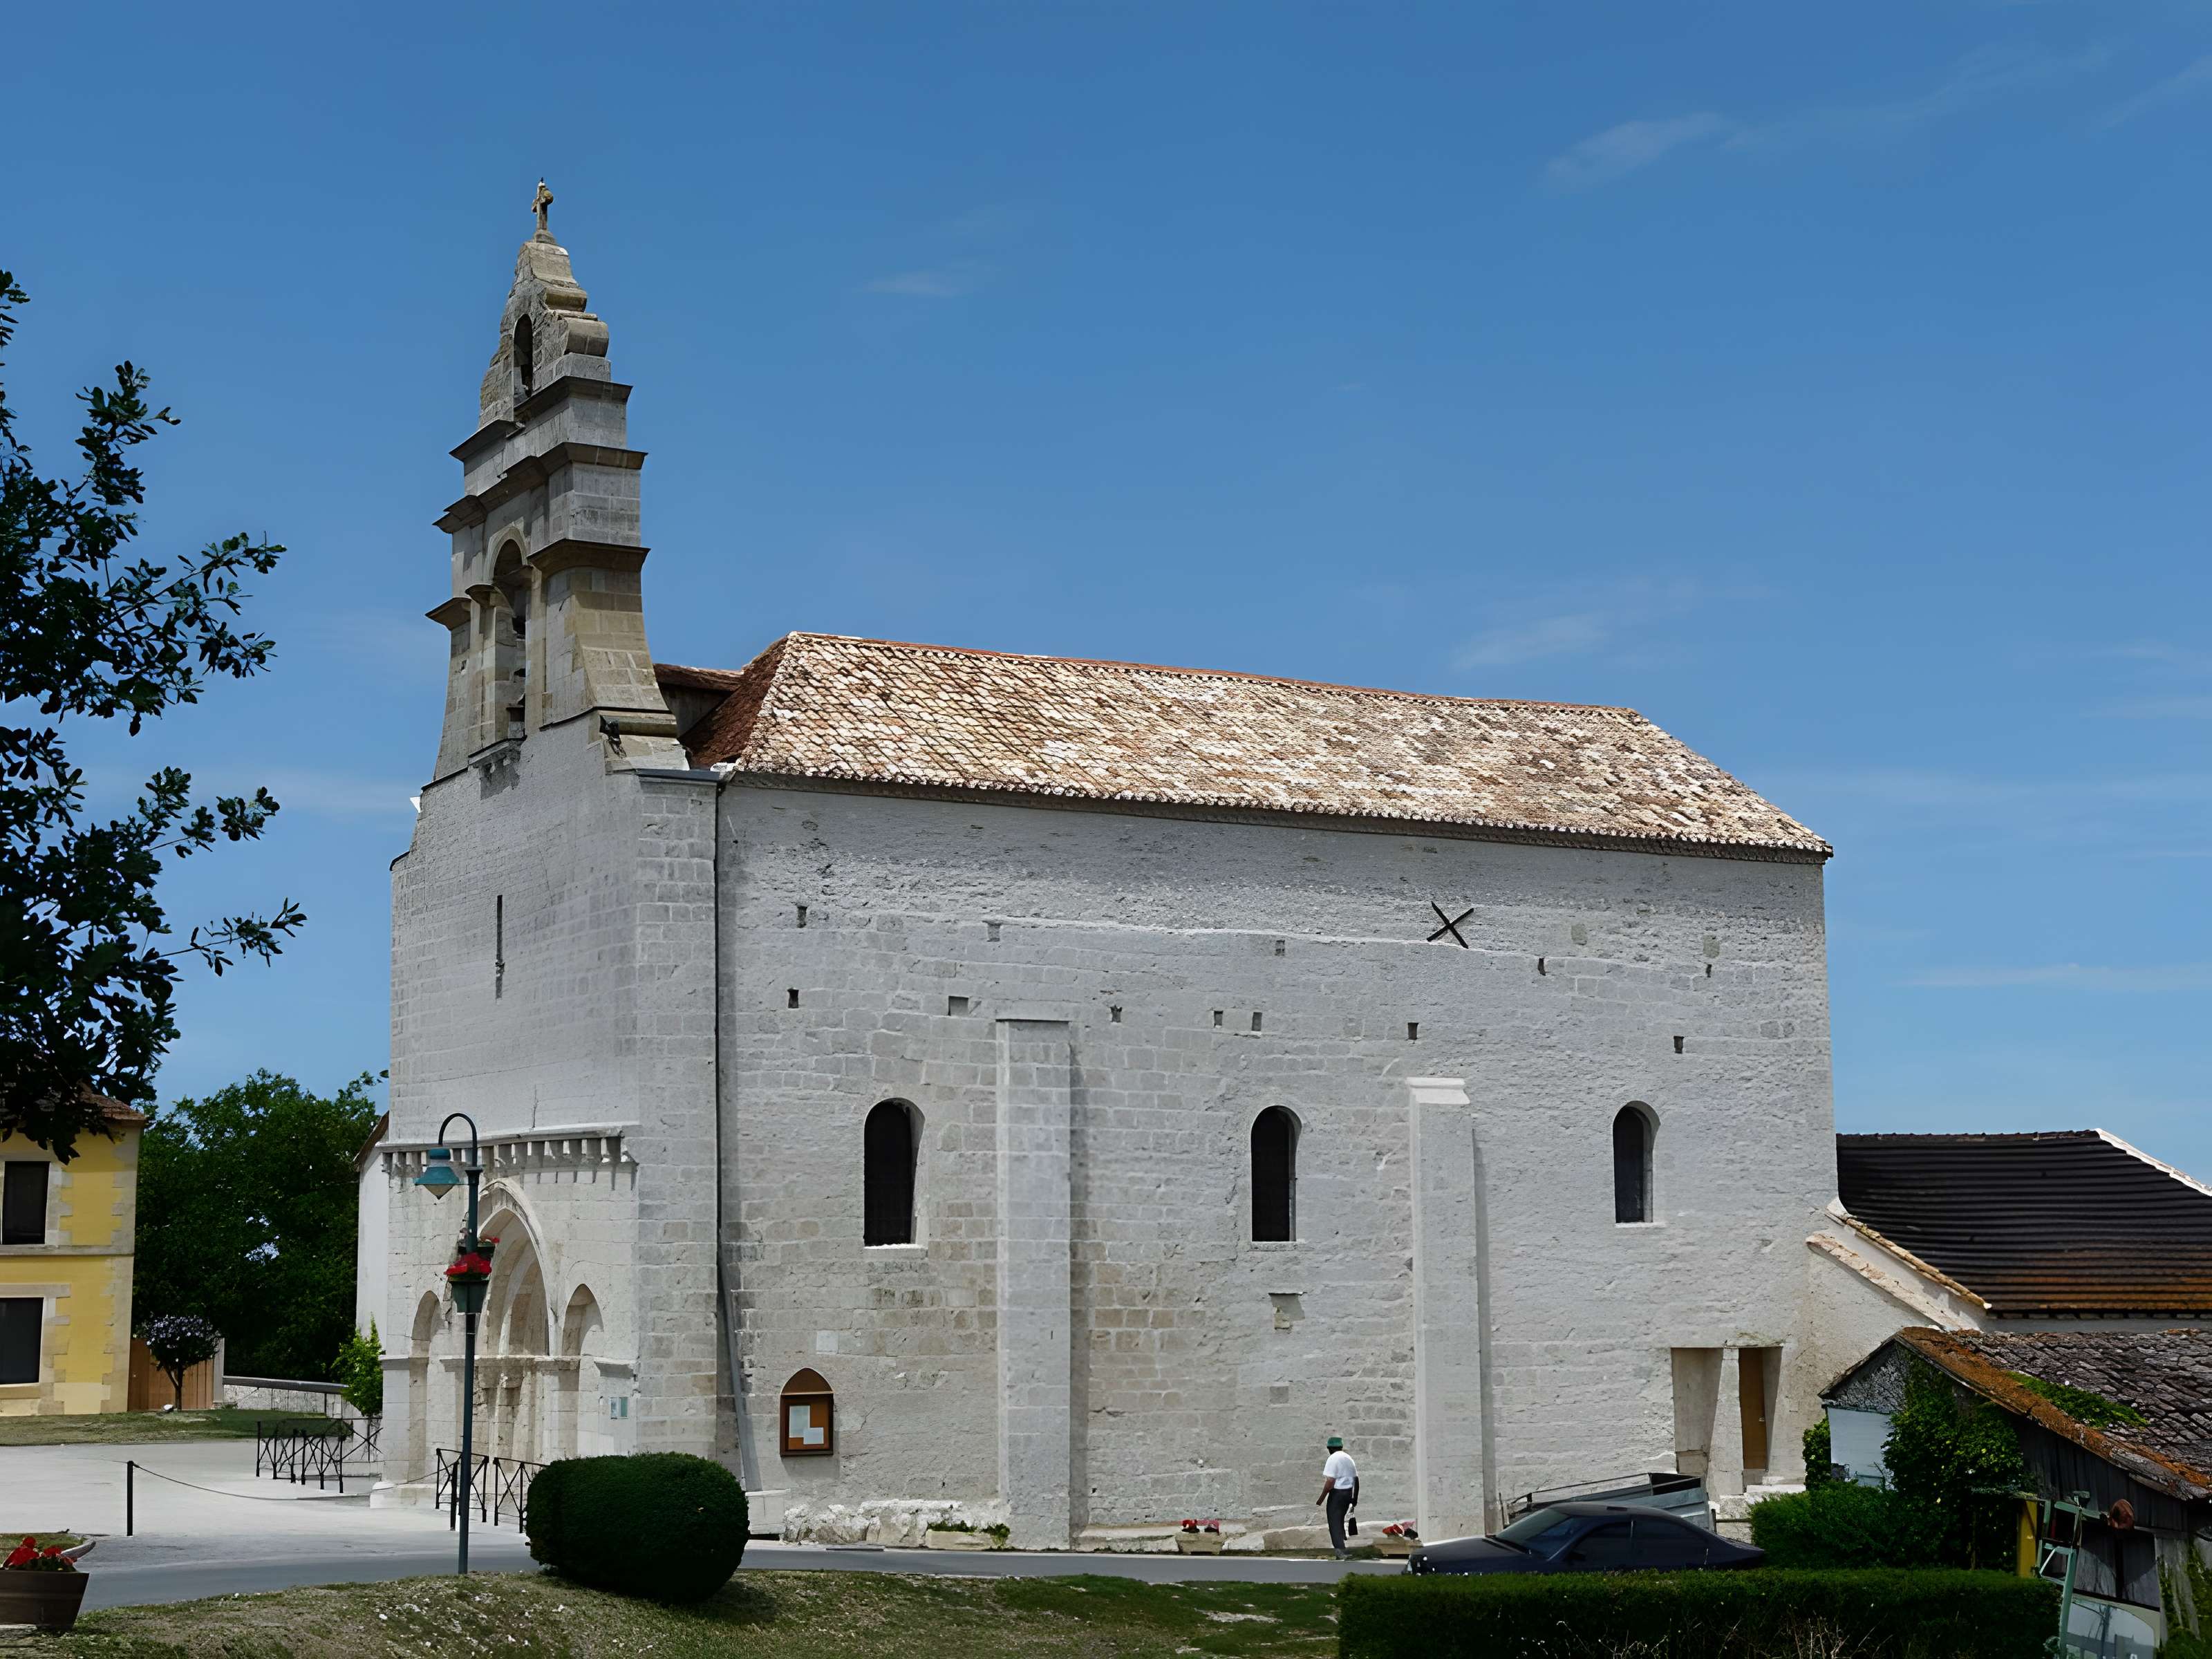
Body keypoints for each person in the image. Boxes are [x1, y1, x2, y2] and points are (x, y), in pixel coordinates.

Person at [1315, 1434, 1358, 1559]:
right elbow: (1356, 1479)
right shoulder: (1349, 1458)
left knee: (1334, 1521)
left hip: (1337, 1494)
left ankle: (1340, 1551)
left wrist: (1321, 1498)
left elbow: (1330, 1481)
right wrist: (1355, 1498)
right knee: (1340, 1521)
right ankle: (1343, 1548)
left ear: (1329, 1448)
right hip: (1348, 1493)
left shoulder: (1333, 1459)